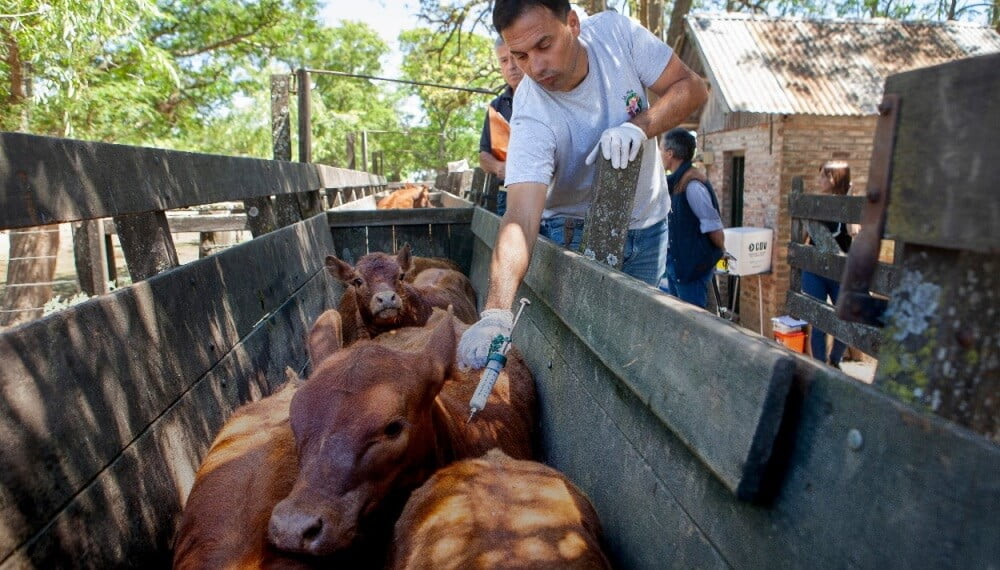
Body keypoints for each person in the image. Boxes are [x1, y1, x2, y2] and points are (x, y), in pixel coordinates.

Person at [457, 0, 708, 369]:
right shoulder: (531, 111)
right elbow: (521, 216)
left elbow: (693, 87)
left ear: (572, 23)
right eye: (520, 55)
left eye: (544, 45)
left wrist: (639, 127)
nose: (535, 67)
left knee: (637, 353)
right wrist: (495, 312)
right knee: (584, 361)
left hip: (650, 224)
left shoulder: (616, 36)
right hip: (572, 234)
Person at [660, 128, 725, 309]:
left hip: (692, 270)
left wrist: (712, 257)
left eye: (661, 150)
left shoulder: (692, 185)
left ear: (670, 153)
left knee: (694, 324)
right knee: (679, 321)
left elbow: (714, 229)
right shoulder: (676, 181)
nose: (660, 154)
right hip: (678, 268)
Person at [802, 161, 853, 367]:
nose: (820, 180)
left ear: (835, 178)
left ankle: (834, 360)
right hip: (815, 269)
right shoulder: (816, 204)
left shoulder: (849, 206)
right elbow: (805, 237)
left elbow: (853, 232)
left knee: (847, 320)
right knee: (818, 321)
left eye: (824, 176)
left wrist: (849, 201)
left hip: (839, 271)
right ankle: (820, 366)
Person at [478, 36, 525, 216]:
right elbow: (483, 156)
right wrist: (500, 167)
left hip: (547, 197)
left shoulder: (547, 95)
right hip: (506, 196)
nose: (511, 66)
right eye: (504, 60)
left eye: (515, 57)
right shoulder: (496, 107)